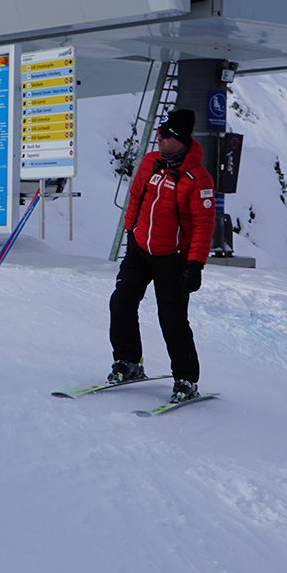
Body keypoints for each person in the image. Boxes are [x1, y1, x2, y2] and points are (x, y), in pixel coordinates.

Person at [108, 109, 215, 403]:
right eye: (159, 132)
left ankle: (186, 379)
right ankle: (128, 362)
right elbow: (136, 197)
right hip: (141, 248)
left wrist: (195, 264)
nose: (160, 138)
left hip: (174, 257)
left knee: (172, 318)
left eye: (166, 135)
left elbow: (205, 224)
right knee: (121, 302)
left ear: (179, 139)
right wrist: (132, 231)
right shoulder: (150, 163)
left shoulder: (198, 179)